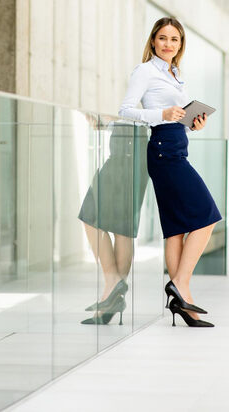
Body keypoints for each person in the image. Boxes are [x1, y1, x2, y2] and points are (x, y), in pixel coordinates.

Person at [118, 16, 223, 328]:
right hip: (163, 150)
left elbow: (177, 119)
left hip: (177, 144)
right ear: (153, 41)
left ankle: (183, 304)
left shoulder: (176, 74)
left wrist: (193, 125)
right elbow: (125, 109)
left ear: (180, 45)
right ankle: (181, 284)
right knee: (208, 215)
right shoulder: (145, 71)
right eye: (163, 38)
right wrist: (161, 113)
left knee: (176, 227)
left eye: (174, 39)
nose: (168, 44)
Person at [77, 116, 149, 325]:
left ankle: (112, 282)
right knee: (122, 227)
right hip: (134, 148)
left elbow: (135, 112)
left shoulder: (141, 83)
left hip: (127, 149)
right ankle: (112, 299)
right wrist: (108, 123)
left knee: (90, 214)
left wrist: (111, 120)